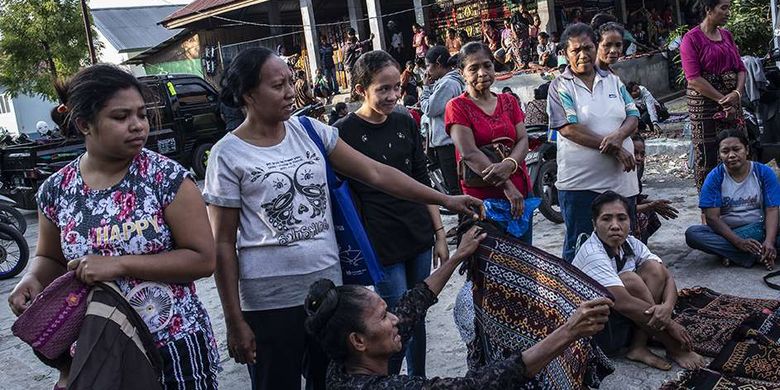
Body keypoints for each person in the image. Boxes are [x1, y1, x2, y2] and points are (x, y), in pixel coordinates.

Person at [203, 47, 483, 390]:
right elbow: (223, 242)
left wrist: (445, 200)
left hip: (329, 298)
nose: (291, 92)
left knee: (331, 383)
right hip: (270, 305)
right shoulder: (227, 155)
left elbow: (377, 173)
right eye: (278, 86)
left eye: (291, 81)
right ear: (248, 94)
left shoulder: (309, 131)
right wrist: (234, 320)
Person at [8, 64, 221, 389]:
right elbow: (50, 258)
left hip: (173, 342)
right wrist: (33, 279)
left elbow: (203, 259)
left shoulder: (166, 179)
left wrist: (118, 265)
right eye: (121, 117)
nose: (137, 126)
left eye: (142, 114)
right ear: (84, 124)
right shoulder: (56, 190)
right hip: (99, 346)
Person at [305, 226, 614, 389]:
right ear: (358, 340)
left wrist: (456, 256)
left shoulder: (343, 362)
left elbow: (416, 301)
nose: (395, 319)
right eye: (384, 316)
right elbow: (479, 385)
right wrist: (569, 331)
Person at [333, 50, 450, 376]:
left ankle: (417, 379)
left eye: (396, 87)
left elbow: (420, 178)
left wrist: (439, 233)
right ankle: (387, 381)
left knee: (418, 312)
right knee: (394, 319)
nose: (392, 96)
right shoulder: (342, 132)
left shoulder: (404, 121)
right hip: (379, 240)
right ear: (361, 90)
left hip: (417, 233)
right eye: (383, 89)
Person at [573, 191, 706, 370]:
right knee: (630, 280)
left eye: (621, 218)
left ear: (631, 221)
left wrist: (667, 308)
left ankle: (638, 346)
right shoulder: (592, 254)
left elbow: (666, 276)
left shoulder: (631, 243)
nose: (615, 226)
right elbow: (623, 303)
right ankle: (673, 347)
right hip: (600, 334)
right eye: (606, 219)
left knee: (654, 269)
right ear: (594, 224)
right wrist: (669, 323)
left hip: (625, 323)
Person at [547, 23, 640, 262]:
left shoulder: (613, 81)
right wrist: (615, 149)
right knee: (579, 247)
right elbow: (569, 129)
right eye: (575, 50)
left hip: (621, 181)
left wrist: (619, 137)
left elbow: (633, 116)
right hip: (581, 185)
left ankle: (620, 295)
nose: (582, 55)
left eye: (587, 48)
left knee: (622, 246)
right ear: (565, 54)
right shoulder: (561, 85)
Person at [445, 42, 532, 241]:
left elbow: (522, 139)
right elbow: (469, 153)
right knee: (490, 264)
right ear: (462, 73)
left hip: (520, 193)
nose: (482, 73)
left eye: (487, 65)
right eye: (473, 68)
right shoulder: (457, 106)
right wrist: (507, 186)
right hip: (483, 200)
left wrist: (509, 164)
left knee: (524, 262)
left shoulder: (509, 101)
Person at [685, 129, 780, 269]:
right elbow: (712, 218)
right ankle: (756, 253)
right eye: (725, 151)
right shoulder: (715, 177)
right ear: (719, 154)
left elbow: (772, 209)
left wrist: (770, 241)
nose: (731, 155)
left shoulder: (763, 172)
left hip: (762, 227)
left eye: (736, 149)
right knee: (693, 234)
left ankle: (742, 253)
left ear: (746, 150)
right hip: (730, 233)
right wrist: (738, 242)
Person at [680, 0, 747, 190]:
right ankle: (710, 205)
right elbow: (693, 78)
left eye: (729, 8)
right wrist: (721, 99)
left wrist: (736, 93)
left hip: (733, 103)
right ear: (709, 9)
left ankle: (740, 197)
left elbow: (741, 68)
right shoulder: (691, 39)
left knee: (737, 149)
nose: (728, 12)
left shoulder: (727, 35)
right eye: (723, 8)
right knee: (708, 154)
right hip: (705, 105)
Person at [421, 45, 466, 199]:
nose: (427, 71)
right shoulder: (447, 82)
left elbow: (430, 109)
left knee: (456, 189)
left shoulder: (448, 84)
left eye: (428, 65)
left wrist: (425, 89)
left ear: (438, 63)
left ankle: (467, 220)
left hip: (448, 143)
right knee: (457, 186)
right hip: (449, 141)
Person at [633, 135, 679, 243]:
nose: (639, 158)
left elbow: (635, 198)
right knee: (641, 215)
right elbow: (624, 206)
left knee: (649, 213)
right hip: (621, 212)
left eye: (642, 154)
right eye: (634, 153)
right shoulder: (617, 177)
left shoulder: (636, 174)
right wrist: (650, 205)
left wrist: (654, 204)